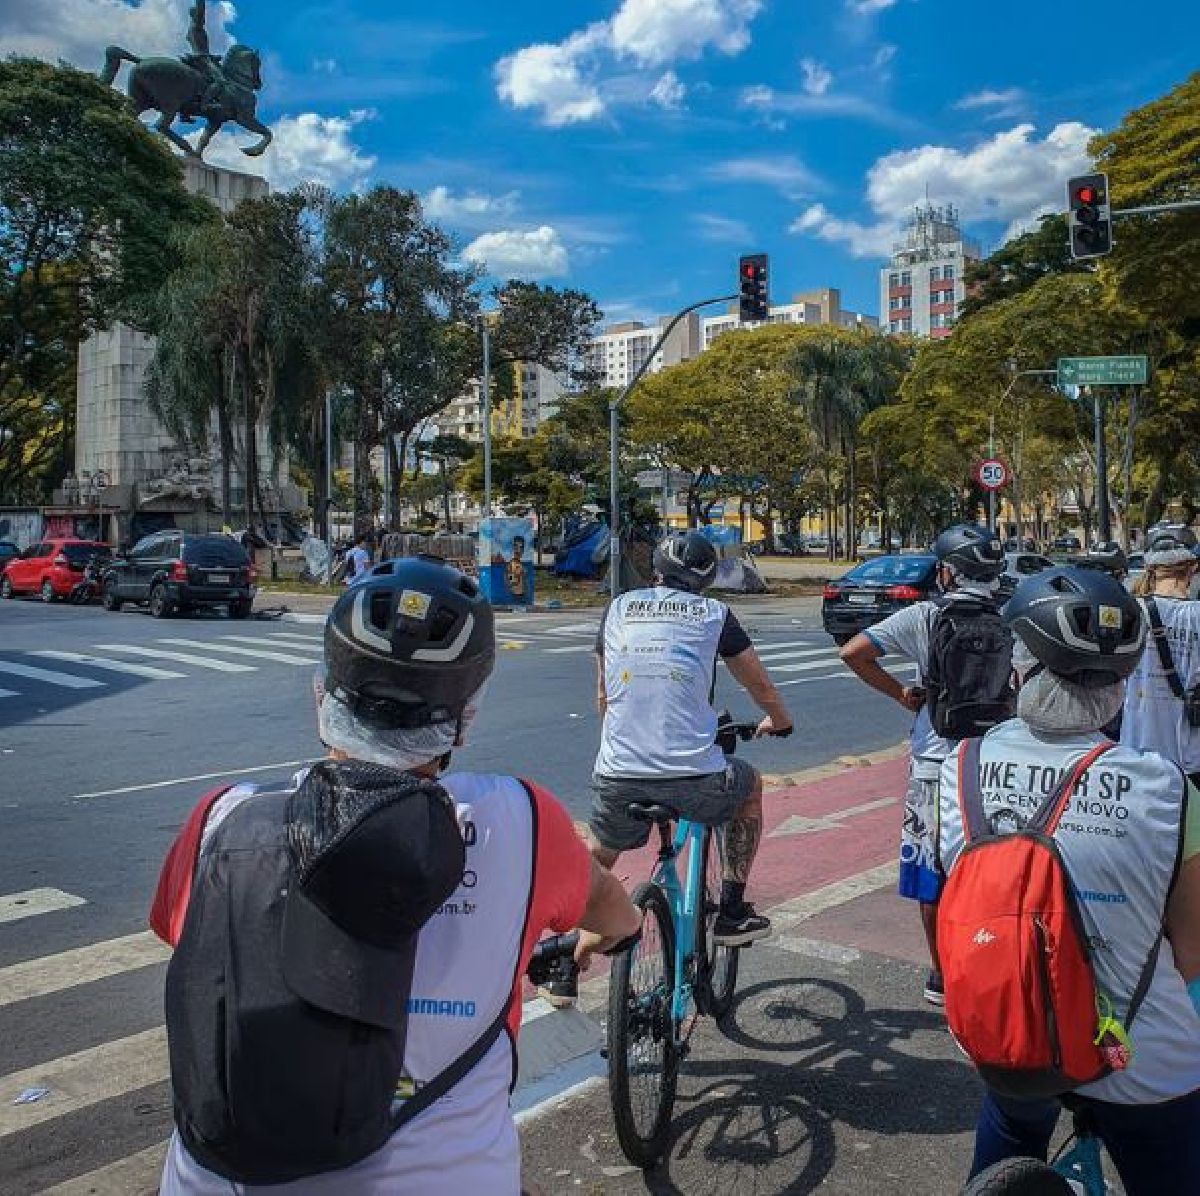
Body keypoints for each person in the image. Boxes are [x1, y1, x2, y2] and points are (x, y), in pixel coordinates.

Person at [153, 557, 641, 1194]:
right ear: (464, 720)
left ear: (322, 694)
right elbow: (612, 912)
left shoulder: (223, 818)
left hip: (223, 1173)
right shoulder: (519, 820)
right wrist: (621, 934)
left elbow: (186, 941)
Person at [939, 566, 1200, 1194]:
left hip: (1010, 1032)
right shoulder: (1169, 789)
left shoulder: (961, 767)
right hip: (1140, 1058)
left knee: (1002, 1148)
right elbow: (1191, 954)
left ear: (1020, 667)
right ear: (1118, 683)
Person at [555, 529, 791, 1001]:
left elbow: (604, 694)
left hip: (620, 772)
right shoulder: (714, 615)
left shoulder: (618, 608)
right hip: (695, 778)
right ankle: (731, 910)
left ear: (656, 571)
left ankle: (566, 961)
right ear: (705, 580)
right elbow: (759, 686)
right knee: (748, 787)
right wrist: (779, 721)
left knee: (600, 856)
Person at [840, 523, 1010, 1006]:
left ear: (946, 571)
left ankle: (942, 975)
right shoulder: (1013, 615)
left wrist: (901, 694)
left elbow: (852, 652)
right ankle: (993, 964)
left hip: (935, 762)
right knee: (993, 868)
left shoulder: (924, 616)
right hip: (994, 762)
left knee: (930, 874)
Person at [1122, 525, 1200, 785]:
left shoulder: (1132, 611)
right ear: (1192, 567)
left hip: (1136, 753)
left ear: (1150, 568)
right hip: (1191, 760)